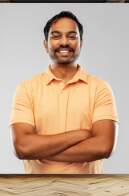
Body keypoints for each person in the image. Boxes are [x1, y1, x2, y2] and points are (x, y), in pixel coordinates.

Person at [9, 11, 119, 174]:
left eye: (72, 36)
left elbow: (104, 146)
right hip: (37, 191)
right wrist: (79, 135)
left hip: (87, 192)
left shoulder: (100, 88)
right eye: (56, 36)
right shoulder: (26, 88)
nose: (64, 42)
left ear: (81, 43)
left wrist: (41, 150)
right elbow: (23, 147)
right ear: (45, 44)